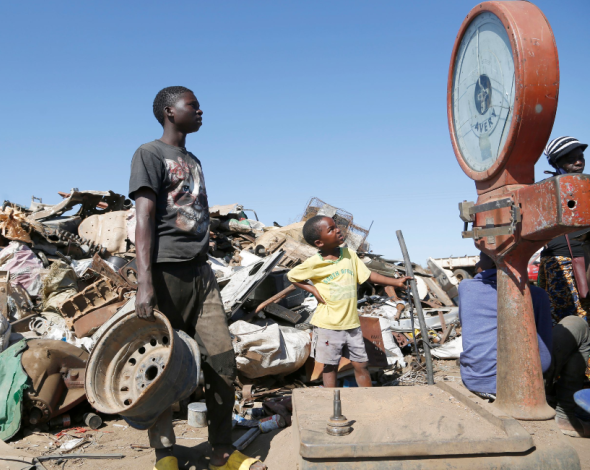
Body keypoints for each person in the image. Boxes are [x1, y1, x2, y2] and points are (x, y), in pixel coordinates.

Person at [129, 86, 265, 470]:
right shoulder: (149, 154)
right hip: (165, 270)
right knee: (159, 365)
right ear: (170, 112)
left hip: (201, 272)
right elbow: (143, 218)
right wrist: (144, 282)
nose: (201, 110)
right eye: (193, 105)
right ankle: (165, 453)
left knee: (222, 359)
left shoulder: (194, 159)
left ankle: (221, 449)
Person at [459, 252, 590, 437]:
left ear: (486, 263)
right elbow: (542, 362)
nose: (476, 264)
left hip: (475, 381)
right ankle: (565, 415)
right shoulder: (535, 294)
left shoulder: (465, 288)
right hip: (517, 387)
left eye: (480, 258)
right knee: (577, 325)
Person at [287, 216, 409, 387]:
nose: (338, 230)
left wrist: (395, 282)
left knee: (361, 364)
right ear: (319, 242)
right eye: (330, 229)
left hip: (352, 324)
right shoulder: (314, 263)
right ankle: (333, 404)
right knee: (330, 367)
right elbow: (292, 276)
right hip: (328, 326)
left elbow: (368, 275)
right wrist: (313, 289)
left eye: (336, 226)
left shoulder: (349, 255)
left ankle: (367, 400)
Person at [537, 136, 590, 324]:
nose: (578, 162)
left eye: (581, 156)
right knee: (566, 321)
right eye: (570, 159)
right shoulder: (546, 189)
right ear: (556, 162)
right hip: (561, 263)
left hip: (584, 258)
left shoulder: (587, 186)